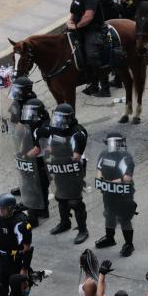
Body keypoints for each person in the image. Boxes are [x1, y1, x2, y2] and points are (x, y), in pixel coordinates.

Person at [36, 103, 89, 244]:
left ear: (70, 118)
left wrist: (54, 154)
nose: (59, 121)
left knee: (75, 200)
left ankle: (83, 230)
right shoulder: (54, 129)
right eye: (57, 117)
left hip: (74, 169)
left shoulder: (78, 133)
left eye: (63, 118)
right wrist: (40, 141)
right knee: (60, 196)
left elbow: (76, 156)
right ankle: (65, 223)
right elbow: (44, 139)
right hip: (58, 166)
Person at [94, 133, 137, 257]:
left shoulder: (126, 157)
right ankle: (109, 238)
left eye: (116, 143)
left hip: (123, 192)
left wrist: (111, 182)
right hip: (108, 190)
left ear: (121, 143)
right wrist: (100, 179)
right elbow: (99, 169)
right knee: (109, 214)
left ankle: (129, 244)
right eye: (111, 143)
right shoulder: (104, 154)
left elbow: (127, 178)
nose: (113, 146)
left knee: (124, 218)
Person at [66, 0, 107, 95]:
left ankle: (105, 88)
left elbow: (88, 17)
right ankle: (92, 84)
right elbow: (74, 10)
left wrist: (76, 26)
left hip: (92, 29)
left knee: (92, 56)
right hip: (79, 28)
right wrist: (70, 21)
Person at [12, 96, 51, 227]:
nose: (29, 115)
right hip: (37, 159)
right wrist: (21, 152)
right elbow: (26, 139)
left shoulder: (43, 129)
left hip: (43, 160)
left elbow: (37, 149)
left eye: (32, 112)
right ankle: (41, 209)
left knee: (36, 186)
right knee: (35, 185)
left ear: (39, 114)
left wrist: (25, 156)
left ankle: (35, 215)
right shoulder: (34, 124)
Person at [0, 193, 33, 296]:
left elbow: (27, 248)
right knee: (0, 290)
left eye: (3, 209)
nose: (0, 211)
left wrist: (24, 269)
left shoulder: (20, 223)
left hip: (14, 261)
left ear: (10, 209)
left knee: (19, 292)